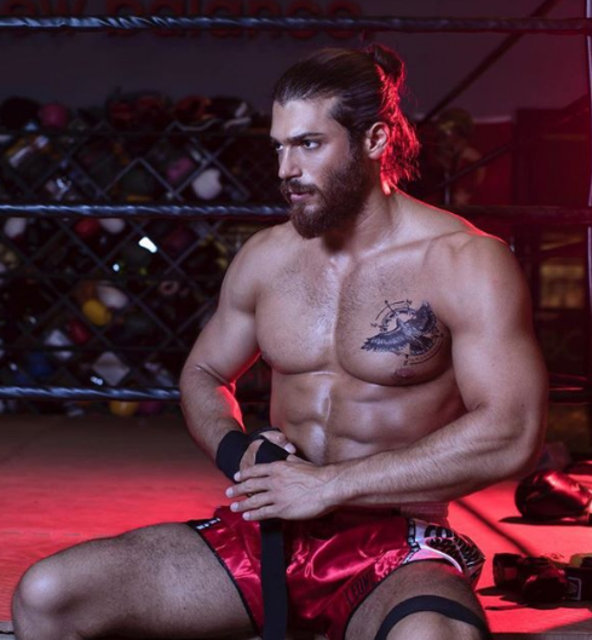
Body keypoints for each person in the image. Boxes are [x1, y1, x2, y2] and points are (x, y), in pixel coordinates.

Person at [12, 45, 548, 640]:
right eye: (279, 147)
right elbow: (204, 374)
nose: (285, 169)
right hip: (267, 534)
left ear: (374, 141)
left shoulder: (464, 261)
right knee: (48, 597)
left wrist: (329, 485)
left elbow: (512, 430)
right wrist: (236, 452)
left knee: (434, 638)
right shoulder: (267, 258)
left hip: (395, 544)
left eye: (309, 144)